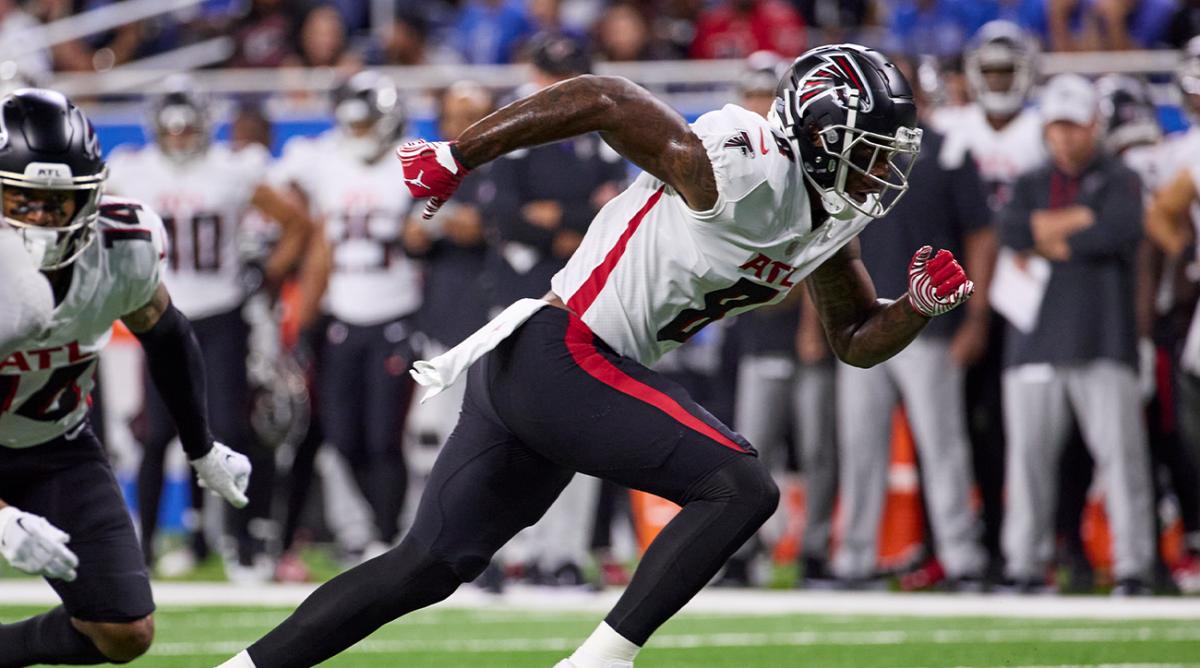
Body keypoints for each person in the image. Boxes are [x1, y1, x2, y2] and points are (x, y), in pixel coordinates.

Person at [219, 43, 972, 668]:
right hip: (563, 349)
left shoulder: (828, 220)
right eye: (872, 152)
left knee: (428, 564)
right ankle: (598, 663)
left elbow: (853, 340)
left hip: (553, 365)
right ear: (818, 133)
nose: (882, 173)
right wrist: (458, 152)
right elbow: (607, 98)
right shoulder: (746, 161)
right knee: (740, 486)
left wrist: (916, 309)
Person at [0, 89, 251, 666]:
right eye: (24, 201)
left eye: (57, 204)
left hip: (53, 444)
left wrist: (201, 446)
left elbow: (165, 333)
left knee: (124, 631)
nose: (40, 221)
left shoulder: (120, 248)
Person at [105, 78, 314, 580]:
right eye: (171, 128)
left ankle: (239, 544)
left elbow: (298, 223)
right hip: (158, 314)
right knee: (155, 436)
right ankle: (146, 546)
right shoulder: (135, 170)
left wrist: (266, 275)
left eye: (187, 127)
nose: (178, 137)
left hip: (221, 315)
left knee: (228, 429)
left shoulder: (231, 169)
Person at [996, 74, 1154, 596]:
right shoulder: (1028, 179)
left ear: (1094, 125)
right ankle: (1024, 563)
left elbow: (1119, 230)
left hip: (1105, 339)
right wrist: (1079, 222)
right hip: (1034, 342)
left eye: (1073, 126)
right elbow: (1012, 232)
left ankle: (1134, 565)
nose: (1064, 138)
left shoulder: (1121, 176)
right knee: (1028, 463)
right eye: (1056, 127)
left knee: (1122, 461)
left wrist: (1049, 233)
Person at [272, 70, 419, 549]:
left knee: (384, 440)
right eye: (351, 125)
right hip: (340, 317)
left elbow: (435, 233)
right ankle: (383, 528)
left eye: (363, 125)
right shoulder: (324, 161)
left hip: (397, 313)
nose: (356, 135)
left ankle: (389, 536)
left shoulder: (413, 161)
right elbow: (276, 185)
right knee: (341, 438)